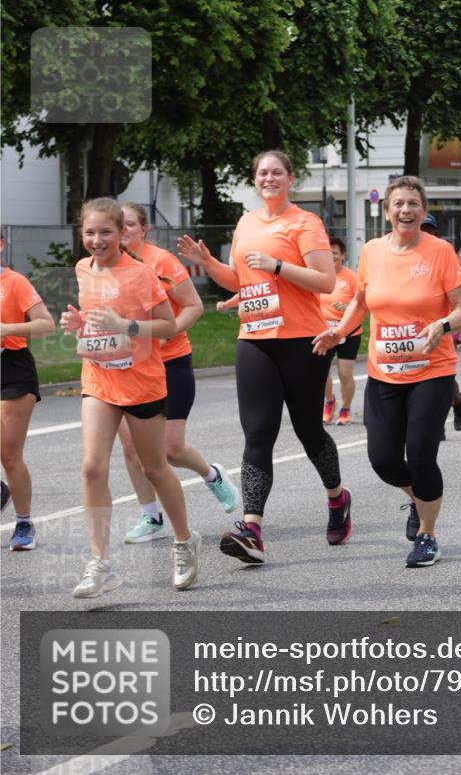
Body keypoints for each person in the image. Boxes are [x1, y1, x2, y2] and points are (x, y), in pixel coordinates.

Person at [178, 151, 350, 566]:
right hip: (255, 339)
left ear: (290, 178)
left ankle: (336, 497)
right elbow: (239, 280)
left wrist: (277, 265)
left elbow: (325, 281)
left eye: (276, 172)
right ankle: (251, 529)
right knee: (258, 433)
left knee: (310, 431)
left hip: (301, 340)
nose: (268, 178)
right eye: (261, 173)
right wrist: (208, 263)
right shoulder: (246, 223)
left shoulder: (304, 223)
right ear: (255, 179)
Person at [314, 176, 461, 568]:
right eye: (398, 203)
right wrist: (339, 331)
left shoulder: (440, 252)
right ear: (387, 211)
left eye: (413, 204)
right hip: (384, 372)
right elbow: (360, 301)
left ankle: (427, 535)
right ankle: (419, 497)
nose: (406, 210)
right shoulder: (372, 252)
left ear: (423, 210)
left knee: (420, 454)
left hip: (431, 370)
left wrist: (442, 326)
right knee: (383, 459)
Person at [60, 198, 201, 597]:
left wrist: (127, 325)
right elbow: (96, 320)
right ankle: (100, 562)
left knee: (154, 467)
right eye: (89, 232)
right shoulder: (83, 269)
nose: (97, 240)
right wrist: (79, 324)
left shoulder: (141, 274)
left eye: (106, 232)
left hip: (141, 382)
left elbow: (169, 325)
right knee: (92, 467)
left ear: (122, 233)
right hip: (99, 378)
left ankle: (184, 541)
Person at [118, 203, 239, 543]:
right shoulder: (108, 266)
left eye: (130, 224)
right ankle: (151, 516)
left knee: (170, 448)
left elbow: (193, 306)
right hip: (129, 366)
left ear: (144, 229)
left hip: (170, 362)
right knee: (132, 449)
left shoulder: (161, 262)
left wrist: (167, 332)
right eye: (119, 224)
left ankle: (212, 475)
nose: (124, 230)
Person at [1, 232, 56, 550]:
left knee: (9, 454)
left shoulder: (15, 282)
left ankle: (24, 523)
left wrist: (7, 329)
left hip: (12, 369)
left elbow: (46, 324)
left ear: (1, 245)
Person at [420, 214, 461, 434]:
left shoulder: (445, 254)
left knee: (442, 375)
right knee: (421, 374)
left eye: (428, 230)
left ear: (436, 233)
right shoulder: (403, 254)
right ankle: (441, 413)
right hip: (413, 327)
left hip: (446, 323)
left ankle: (454, 404)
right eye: (421, 229)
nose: (424, 234)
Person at [321, 237, 362, 426]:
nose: (331, 257)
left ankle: (346, 408)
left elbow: (361, 305)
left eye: (335, 253)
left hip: (349, 333)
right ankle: (330, 401)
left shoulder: (352, 277)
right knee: (321, 372)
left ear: (343, 255)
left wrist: (346, 309)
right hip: (325, 333)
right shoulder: (320, 276)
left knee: (345, 373)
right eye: (327, 253)